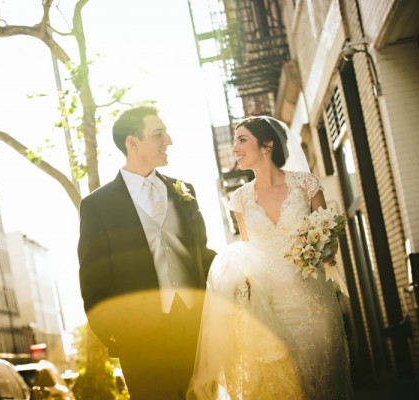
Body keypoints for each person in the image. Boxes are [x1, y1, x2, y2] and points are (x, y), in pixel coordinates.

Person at [188, 116, 353, 399]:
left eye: (242, 140)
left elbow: (330, 240)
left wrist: (318, 249)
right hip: (272, 307)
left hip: (313, 302)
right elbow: (247, 253)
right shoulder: (241, 199)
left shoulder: (306, 185)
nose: (235, 148)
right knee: (287, 386)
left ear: (267, 145)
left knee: (324, 382)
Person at [78, 105, 216, 399]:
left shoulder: (184, 191)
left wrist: (240, 271)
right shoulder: (97, 206)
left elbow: (201, 254)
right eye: (158, 134)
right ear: (133, 142)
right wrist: (119, 338)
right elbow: (93, 282)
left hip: (197, 331)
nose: (169, 140)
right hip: (141, 342)